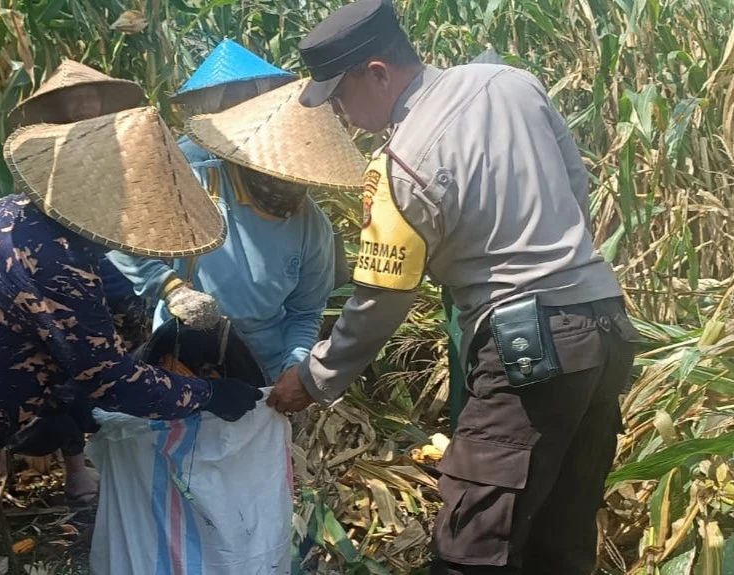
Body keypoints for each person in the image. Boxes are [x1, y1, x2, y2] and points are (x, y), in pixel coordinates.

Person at [267, 1, 642, 574]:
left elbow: (382, 295)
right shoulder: (511, 83)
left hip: (529, 349)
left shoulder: (403, 160)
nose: (341, 114)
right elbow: (575, 185)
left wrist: (316, 378)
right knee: (560, 535)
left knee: (471, 548)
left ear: (377, 73)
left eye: (340, 96)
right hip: (605, 323)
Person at [0, 106, 263, 575]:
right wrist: (210, 394)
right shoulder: (55, 259)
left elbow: (89, 320)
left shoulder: (18, 216)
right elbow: (115, 383)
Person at [106, 40, 366, 383]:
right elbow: (122, 238)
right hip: (185, 353)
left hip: (263, 364)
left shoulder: (312, 224)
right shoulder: (196, 180)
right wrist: (172, 289)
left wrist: (294, 366)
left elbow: (305, 311)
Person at [4, 59, 154, 504]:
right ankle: (76, 468)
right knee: (64, 356)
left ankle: (122, 445)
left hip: (113, 254)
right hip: (62, 257)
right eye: (77, 99)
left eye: (92, 97)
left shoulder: (117, 145)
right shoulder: (41, 151)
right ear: (60, 106)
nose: (86, 105)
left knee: (131, 337)